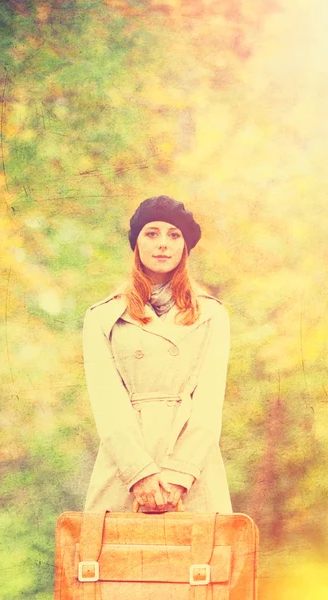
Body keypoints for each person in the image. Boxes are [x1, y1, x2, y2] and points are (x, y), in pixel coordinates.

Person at [82, 195, 232, 513]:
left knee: (202, 559)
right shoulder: (102, 316)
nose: (163, 244)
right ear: (136, 242)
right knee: (113, 558)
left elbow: (209, 404)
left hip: (194, 470)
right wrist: (140, 475)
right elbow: (107, 403)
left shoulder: (212, 314)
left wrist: (179, 475)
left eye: (173, 235)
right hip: (124, 470)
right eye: (152, 233)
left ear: (185, 247)